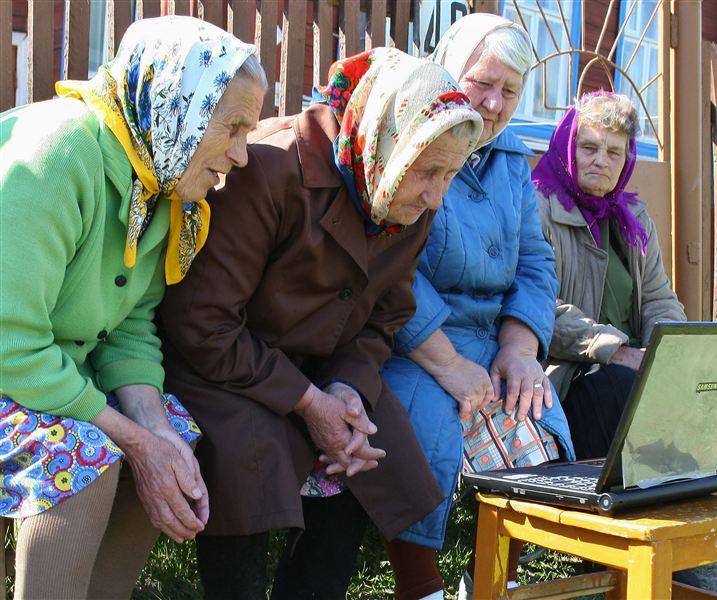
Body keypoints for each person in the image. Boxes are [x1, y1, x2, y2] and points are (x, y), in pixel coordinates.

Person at [156, 47, 483, 599]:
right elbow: (202, 324)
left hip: (322, 367)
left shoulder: (404, 192)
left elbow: (387, 317)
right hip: (225, 367)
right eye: (429, 171)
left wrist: (346, 387)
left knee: (363, 443)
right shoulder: (268, 167)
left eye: (451, 174)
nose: (437, 194)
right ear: (387, 142)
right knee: (249, 452)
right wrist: (309, 401)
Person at [0, 16, 266, 599]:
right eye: (235, 128)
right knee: (86, 451)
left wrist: (153, 432)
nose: (243, 155)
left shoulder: (159, 180)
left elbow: (131, 328)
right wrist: (130, 436)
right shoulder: (62, 154)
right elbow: (10, 344)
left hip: (41, 375)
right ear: (183, 106)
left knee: (173, 436)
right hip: (10, 366)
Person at [378, 14, 576, 600]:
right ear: (447, 72)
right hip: (414, 341)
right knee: (430, 435)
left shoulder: (512, 159)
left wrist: (519, 350)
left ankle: (496, 577)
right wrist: (446, 362)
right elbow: (392, 260)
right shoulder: (416, 132)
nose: (492, 103)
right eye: (480, 83)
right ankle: (421, 586)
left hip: (493, 338)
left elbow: (536, 264)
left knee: (533, 417)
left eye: (509, 90)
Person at [533, 91, 686, 462]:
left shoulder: (633, 219)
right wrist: (615, 351)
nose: (601, 161)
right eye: (589, 147)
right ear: (568, 146)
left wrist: (662, 353)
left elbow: (658, 297)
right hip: (567, 374)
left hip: (631, 365)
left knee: (693, 386)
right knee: (622, 388)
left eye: (614, 152)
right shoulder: (538, 208)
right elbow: (537, 305)